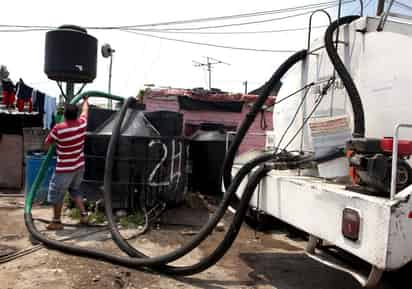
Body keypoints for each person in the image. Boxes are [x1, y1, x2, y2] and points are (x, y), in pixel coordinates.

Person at [44, 98, 89, 230]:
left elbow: (47, 142)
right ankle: (84, 215)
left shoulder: (59, 128)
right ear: (76, 114)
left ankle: (56, 222)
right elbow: (85, 111)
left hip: (64, 168)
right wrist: (86, 101)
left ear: (64, 115)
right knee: (74, 190)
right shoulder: (82, 124)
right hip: (79, 165)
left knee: (57, 193)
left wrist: (57, 143)